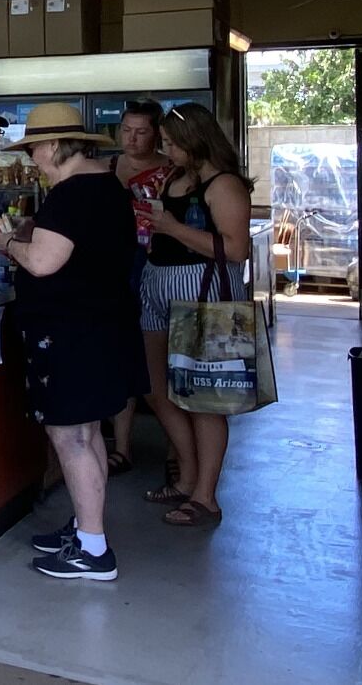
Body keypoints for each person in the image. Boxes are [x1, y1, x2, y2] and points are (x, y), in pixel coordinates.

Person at [0, 101, 143, 582]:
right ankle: (86, 530)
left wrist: (8, 244)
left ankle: (94, 550)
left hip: (71, 333)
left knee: (71, 435)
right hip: (102, 326)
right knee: (89, 431)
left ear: (56, 146)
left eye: (35, 148)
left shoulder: (71, 195)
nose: (32, 158)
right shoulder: (107, 188)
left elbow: (43, 263)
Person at [140, 104, 255, 527]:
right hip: (159, 283)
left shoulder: (223, 185)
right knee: (157, 387)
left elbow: (236, 249)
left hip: (203, 291)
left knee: (205, 398)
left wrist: (171, 228)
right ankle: (187, 476)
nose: (165, 150)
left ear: (195, 141)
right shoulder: (174, 177)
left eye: (171, 143)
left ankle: (206, 495)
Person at [105, 98, 175, 481]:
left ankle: (176, 449)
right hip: (118, 267)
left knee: (162, 362)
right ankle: (122, 447)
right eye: (126, 130)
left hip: (158, 265)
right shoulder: (108, 167)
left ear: (156, 133)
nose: (132, 139)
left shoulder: (171, 170)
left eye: (141, 131)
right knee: (122, 353)